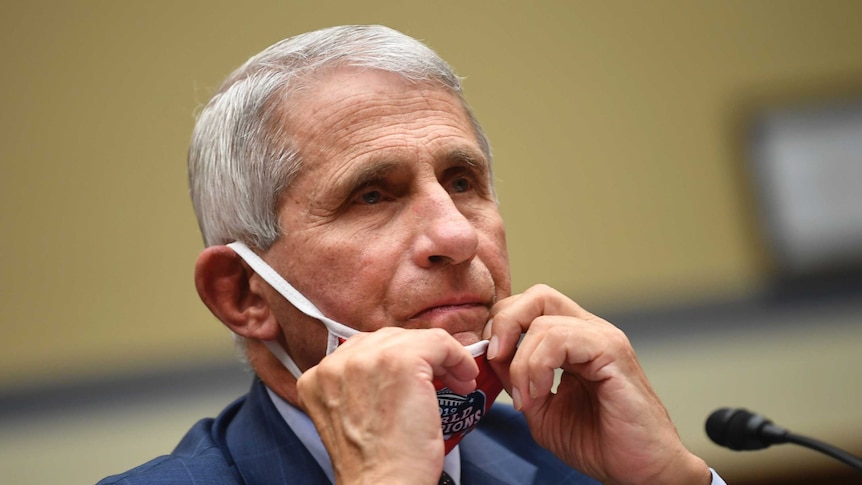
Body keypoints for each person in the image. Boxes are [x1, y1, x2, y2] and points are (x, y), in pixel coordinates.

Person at [99, 25, 725, 485]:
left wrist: (675, 480)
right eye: (371, 195)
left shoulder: (574, 461)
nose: (457, 237)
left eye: (461, 182)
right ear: (244, 294)